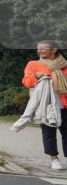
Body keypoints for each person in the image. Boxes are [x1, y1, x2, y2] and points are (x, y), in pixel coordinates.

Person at [21, 40, 67, 171]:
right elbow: (27, 82)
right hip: (45, 105)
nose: (39, 51)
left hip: (64, 104)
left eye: (42, 48)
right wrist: (37, 76)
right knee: (48, 133)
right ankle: (54, 159)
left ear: (54, 50)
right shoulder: (33, 64)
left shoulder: (64, 65)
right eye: (38, 49)